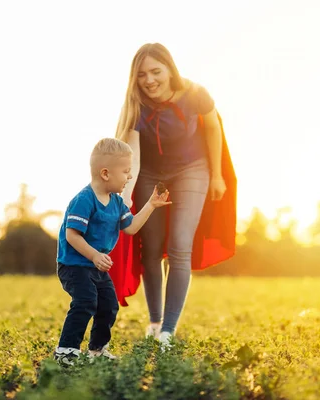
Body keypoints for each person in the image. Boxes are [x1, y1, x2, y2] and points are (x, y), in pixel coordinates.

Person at [111, 43, 237, 349]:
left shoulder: (195, 94)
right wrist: (123, 195)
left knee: (180, 246)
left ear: (170, 69)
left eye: (156, 71)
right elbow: (131, 154)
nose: (149, 80)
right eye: (142, 75)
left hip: (192, 169)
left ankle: (168, 329)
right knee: (151, 250)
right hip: (150, 175)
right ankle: (154, 323)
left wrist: (218, 175)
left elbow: (212, 129)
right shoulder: (136, 103)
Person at [54, 137, 171, 366]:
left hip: (95, 267)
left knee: (109, 304)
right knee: (86, 301)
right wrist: (95, 255)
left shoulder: (117, 203)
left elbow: (131, 227)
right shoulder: (84, 200)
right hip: (74, 265)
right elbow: (72, 236)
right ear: (105, 173)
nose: (130, 177)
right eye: (126, 171)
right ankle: (66, 350)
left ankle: (97, 350)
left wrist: (151, 205)